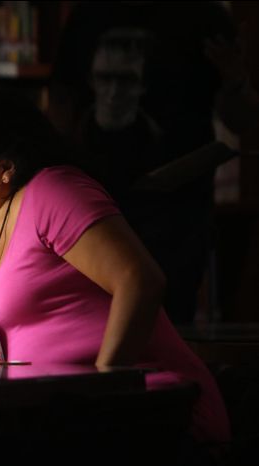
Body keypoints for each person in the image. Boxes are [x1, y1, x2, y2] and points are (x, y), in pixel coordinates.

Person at [0, 85, 230, 463]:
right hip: (43, 424)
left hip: (143, 412)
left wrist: (103, 385)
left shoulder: (50, 191)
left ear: (7, 166)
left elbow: (141, 280)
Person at [48, 1, 259, 326]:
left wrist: (236, 80)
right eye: (106, 80)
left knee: (167, 326)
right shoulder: (88, 14)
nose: (115, 93)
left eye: (127, 81)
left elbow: (241, 120)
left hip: (175, 210)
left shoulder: (204, 16)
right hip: (91, 203)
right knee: (86, 322)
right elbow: (61, 102)